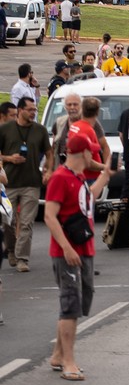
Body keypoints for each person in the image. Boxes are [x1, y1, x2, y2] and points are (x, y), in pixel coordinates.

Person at [44, 135, 114, 382]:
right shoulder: (60, 179)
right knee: (70, 304)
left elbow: (87, 201)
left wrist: (105, 175)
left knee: (80, 301)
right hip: (69, 252)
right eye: (91, 152)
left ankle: (57, 355)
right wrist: (66, 247)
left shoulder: (78, 177)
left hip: (85, 248)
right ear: (82, 153)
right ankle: (68, 362)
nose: (93, 156)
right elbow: (50, 216)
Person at [0, 97, 54, 272]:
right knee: (8, 221)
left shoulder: (40, 130)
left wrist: (48, 169)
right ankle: (11, 251)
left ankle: (23, 258)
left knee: (26, 222)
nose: (33, 113)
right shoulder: (5, 130)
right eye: (30, 109)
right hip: (9, 183)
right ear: (20, 110)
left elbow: (49, 153)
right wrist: (9, 158)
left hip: (32, 182)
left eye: (34, 110)